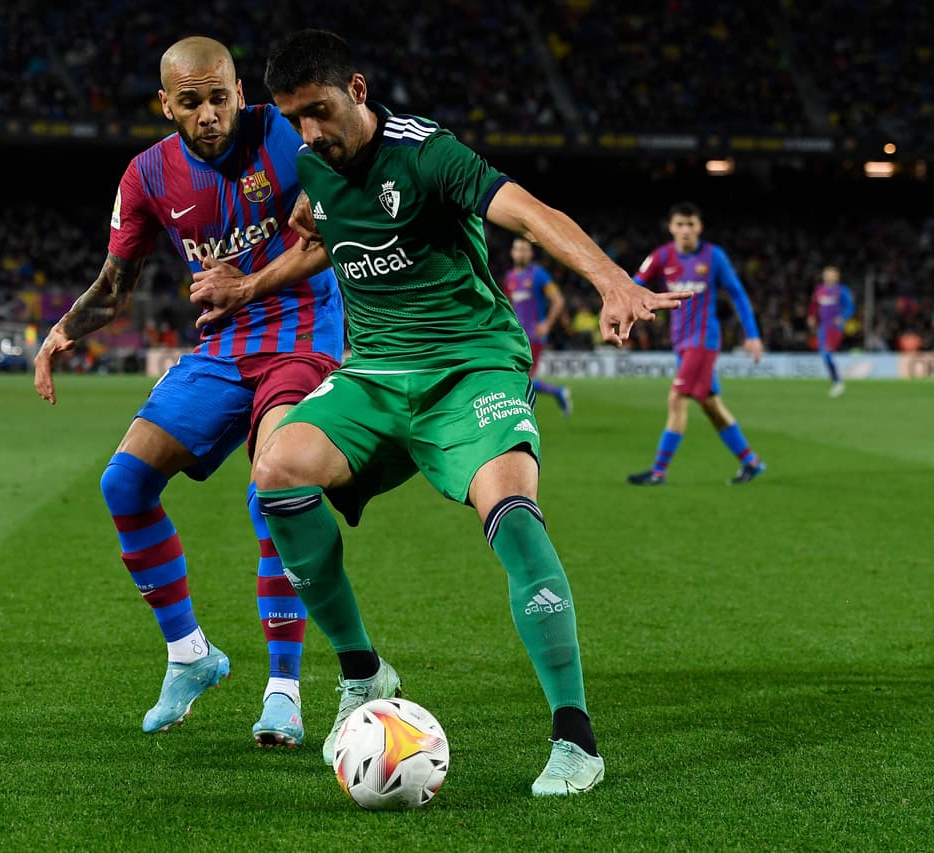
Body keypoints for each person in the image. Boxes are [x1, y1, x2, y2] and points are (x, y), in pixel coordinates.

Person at [192, 29, 686, 796]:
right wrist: (248, 287)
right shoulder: (317, 166)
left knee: (513, 508)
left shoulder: (428, 153)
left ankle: (575, 737)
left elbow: (527, 212)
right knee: (276, 467)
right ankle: (361, 668)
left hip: (470, 366)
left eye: (319, 111)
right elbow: (322, 239)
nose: (310, 132)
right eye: (294, 119)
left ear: (356, 89)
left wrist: (611, 278)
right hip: (376, 371)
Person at [34, 36, 344, 748]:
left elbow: (341, 231)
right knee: (125, 482)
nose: (209, 114)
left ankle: (285, 691)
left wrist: (251, 282)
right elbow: (116, 286)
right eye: (191, 101)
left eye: (220, 97)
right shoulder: (147, 176)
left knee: (274, 489)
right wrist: (59, 334)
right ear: (166, 105)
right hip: (223, 345)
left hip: (303, 333)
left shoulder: (290, 133)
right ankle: (189, 655)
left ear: (240, 91)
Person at [626, 203, 765, 486]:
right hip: (681, 343)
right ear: (671, 227)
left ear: (699, 227)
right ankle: (751, 462)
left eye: (691, 224)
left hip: (703, 342)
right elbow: (633, 284)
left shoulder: (714, 257)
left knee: (677, 399)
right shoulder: (661, 256)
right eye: (680, 224)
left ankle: (658, 472)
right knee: (710, 404)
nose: (686, 230)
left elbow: (737, 294)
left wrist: (752, 334)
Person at [502, 237, 572, 414]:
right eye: (518, 249)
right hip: (516, 336)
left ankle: (524, 414)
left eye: (525, 249)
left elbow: (558, 300)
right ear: (512, 253)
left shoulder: (538, 275)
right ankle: (558, 392)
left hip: (533, 335)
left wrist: (547, 324)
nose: (521, 253)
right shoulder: (510, 277)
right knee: (517, 377)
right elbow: (509, 306)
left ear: (531, 253)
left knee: (522, 378)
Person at [809, 265, 855, 397]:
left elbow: (850, 307)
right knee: (824, 354)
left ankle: (838, 382)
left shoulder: (842, 290)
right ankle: (837, 381)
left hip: (835, 328)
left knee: (826, 353)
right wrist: (812, 316)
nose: (828, 276)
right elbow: (814, 305)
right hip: (823, 327)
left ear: (836, 276)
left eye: (831, 274)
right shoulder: (819, 290)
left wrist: (842, 317)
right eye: (826, 274)